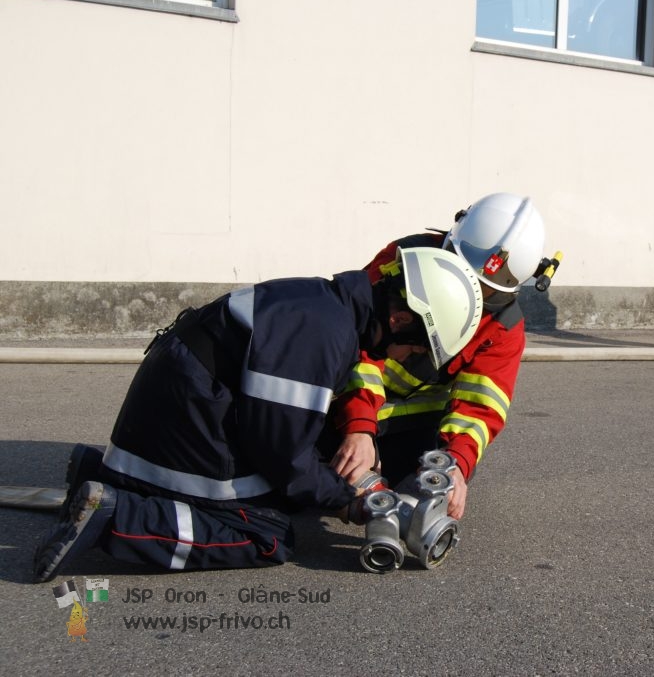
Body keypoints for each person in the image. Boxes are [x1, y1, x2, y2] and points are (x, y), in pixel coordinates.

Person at [33, 247, 485, 582]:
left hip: (171, 421)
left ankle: (105, 477)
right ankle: (116, 518)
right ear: (403, 319)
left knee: (284, 494)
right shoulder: (322, 334)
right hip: (181, 430)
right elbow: (283, 455)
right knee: (267, 532)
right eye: (418, 350)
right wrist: (348, 499)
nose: (408, 360)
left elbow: (280, 430)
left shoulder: (323, 306)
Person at [327, 193, 546, 522]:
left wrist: (455, 464)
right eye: (464, 276)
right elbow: (357, 346)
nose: (471, 295)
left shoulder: (503, 325)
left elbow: (479, 409)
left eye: (486, 293)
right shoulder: (402, 261)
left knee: (419, 490)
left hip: (415, 431)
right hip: (349, 409)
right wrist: (358, 428)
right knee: (311, 471)